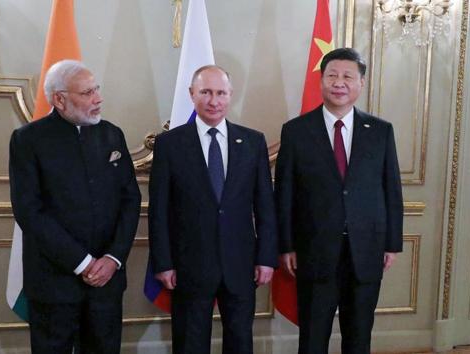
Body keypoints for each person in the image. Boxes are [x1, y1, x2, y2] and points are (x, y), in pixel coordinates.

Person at [274, 47, 403, 354]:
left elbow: (392, 191)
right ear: (321, 81)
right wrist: (286, 245)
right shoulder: (296, 131)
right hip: (314, 250)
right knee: (313, 337)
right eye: (331, 75)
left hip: (366, 251)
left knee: (359, 337)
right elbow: (285, 194)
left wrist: (391, 244)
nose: (339, 82)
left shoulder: (380, 131)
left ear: (360, 84)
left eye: (347, 76)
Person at [9, 59, 141, 354]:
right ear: (59, 99)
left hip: (107, 282)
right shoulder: (28, 140)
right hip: (53, 283)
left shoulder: (111, 134)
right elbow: (29, 211)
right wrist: (83, 263)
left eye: (97, 89)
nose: (98, 99)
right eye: (87, 93)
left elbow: (131, 199)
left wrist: (113, 258)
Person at [148, 65, 278, 354]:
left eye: (221, 93)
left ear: (230, 95)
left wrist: (266, 257)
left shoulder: (253, 142)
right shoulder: (169, 144)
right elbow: (159, 211)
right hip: (188, 264)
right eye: (205, 92)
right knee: (190, 342)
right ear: (191, 94)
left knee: (240, 340)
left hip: (241, 264)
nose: (213, 100)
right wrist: (163, 262)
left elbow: (265, 207)